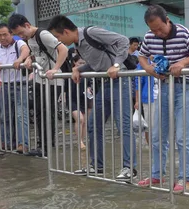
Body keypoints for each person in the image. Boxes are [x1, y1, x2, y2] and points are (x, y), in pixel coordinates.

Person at [47, 15, 137, 181]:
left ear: (66, 31)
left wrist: (116, 65)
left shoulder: (91, 33)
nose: (58, 41)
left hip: (121, 80)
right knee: (93, 124)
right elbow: (97, 64)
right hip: (106, 83)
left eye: (58, 37)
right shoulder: (78, 45)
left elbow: (123, 41)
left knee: (123, 125)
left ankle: (129, 167)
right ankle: (97, 165)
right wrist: (79, 69)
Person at [136, 5, 189, 193]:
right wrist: (148, 68)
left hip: (185, 87)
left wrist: (182, 62)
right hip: (164, 87)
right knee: (157, 135)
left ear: (167, 20)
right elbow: (141, 56)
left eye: (160, 28)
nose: (157, 33)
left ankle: (186, 178)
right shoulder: (150, 36)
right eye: (153, 29)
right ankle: (157, 174)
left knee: (183, 137)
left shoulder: (183, 33)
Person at [8, 14, 69, 157]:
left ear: (27, 25)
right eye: (18, 35)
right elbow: (36, 53)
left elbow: (63, 50)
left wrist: (55, 69)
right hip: (40, 79)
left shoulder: (43, 34)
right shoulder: (30, 38)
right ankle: (43, 145)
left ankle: (47, 146)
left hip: (53, 80)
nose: (21, 36)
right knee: (40, 112)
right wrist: (29, 58)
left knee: (47, 112)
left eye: (21, 33)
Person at [0, 24, 31, 153]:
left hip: (20, 85)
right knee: (4, 115)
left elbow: (26, 50)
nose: (2, 37)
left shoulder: (18, 43)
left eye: (5, 34)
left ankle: (23, 143)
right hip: (4, 86)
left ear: (10, 34)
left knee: (21, 115)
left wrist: (20, 59)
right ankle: (6, 142)